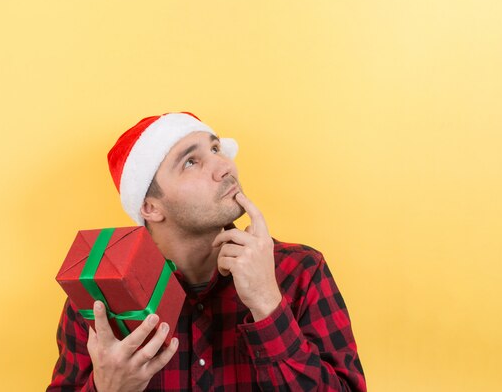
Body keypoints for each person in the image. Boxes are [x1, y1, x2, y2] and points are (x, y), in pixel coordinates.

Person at [48, 112, 367, 391]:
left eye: (216, 148)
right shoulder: (101, 298)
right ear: (150, 207)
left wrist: (268, 303)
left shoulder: (300, 271)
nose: (225, 166)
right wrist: (108, 389)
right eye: (191, 162)